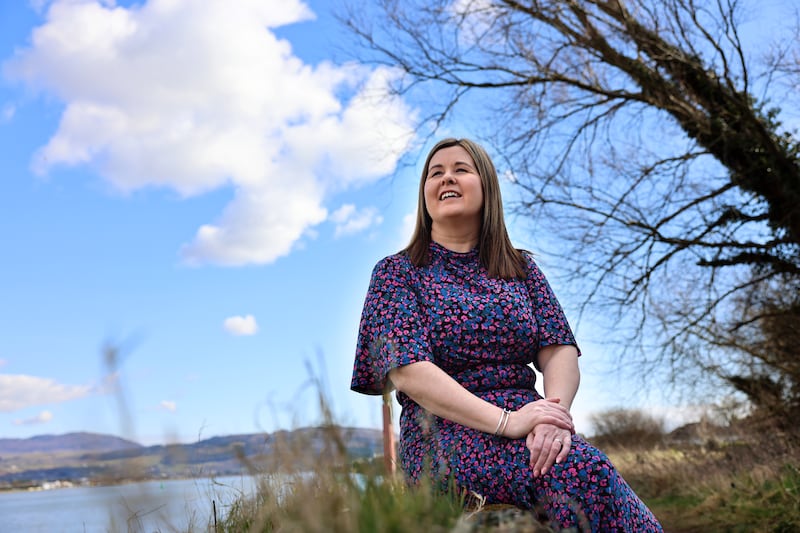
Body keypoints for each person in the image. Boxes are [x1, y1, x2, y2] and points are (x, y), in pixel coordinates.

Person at [351, 138, 663, 531]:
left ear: (486, 186)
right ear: (425, 194)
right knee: (576, 472)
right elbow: (409, 372)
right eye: (435, 172)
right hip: (443, 434)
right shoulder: (397, 272)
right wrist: (506, 423)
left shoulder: (520, 268)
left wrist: (553, 415)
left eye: (460, 169)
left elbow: (559, 350)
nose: (446, 177)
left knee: (585, 467)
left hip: (530, 421)